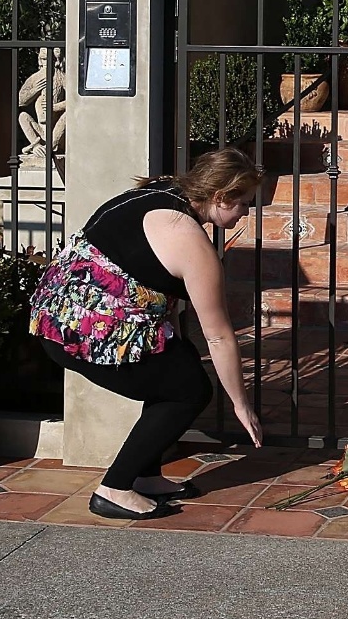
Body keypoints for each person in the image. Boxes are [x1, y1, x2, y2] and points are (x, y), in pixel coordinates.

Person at [28, 146, 266, 519]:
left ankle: (146, 476)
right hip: (81, 332)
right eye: (244, 203)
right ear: (220, 197)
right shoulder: (189, 240)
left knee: (177, 365)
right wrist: (241, 404)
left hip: (56, 315)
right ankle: (114, 488)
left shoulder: (162, 191)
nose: (246, 213)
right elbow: (218, 335)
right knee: (189, 391)